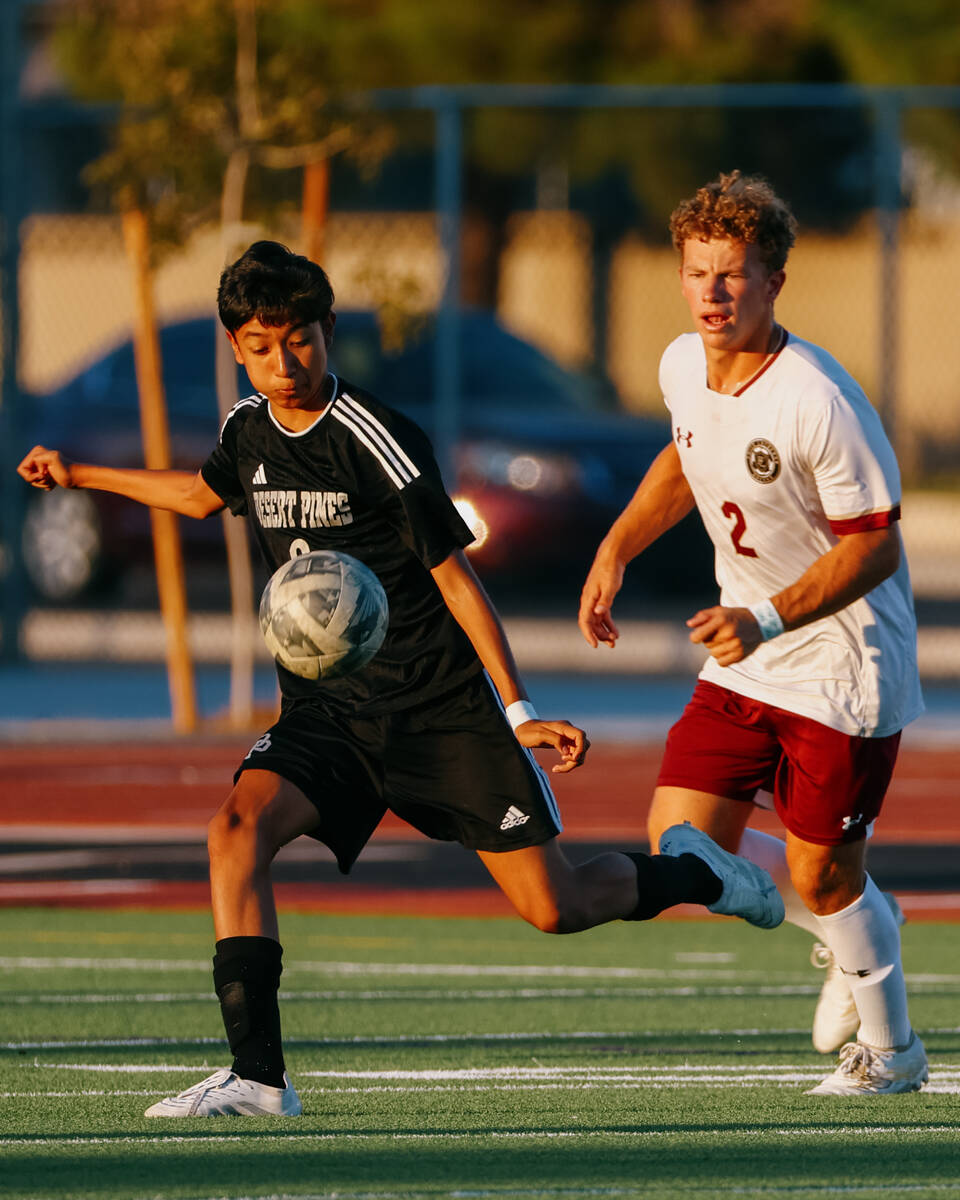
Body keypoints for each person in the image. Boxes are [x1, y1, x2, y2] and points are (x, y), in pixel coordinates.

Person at [17, 240, 783, 1118]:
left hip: (439, 709)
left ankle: (699, 872)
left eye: (298, 339)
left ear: (327, 331)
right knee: (234, 832)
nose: (283, 361)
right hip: (330, 711)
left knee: (555, 906)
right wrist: (82, 474)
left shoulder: (376, 438)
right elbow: (199, 494)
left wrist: (519, 709)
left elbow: (458, 580)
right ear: (237, 349)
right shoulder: (246, 429)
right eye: (261, 346)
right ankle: (259, 1079)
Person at [578, 171, 928, 1097]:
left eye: (732, 275)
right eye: (698, 273)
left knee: (820, 875)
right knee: (684, 843)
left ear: (773, 281)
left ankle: (894, 1055)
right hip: (749, 658)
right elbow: (686, 454)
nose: (712, 293)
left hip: (846, 666)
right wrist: (616, 546)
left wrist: (763, 615)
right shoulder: (679, 364)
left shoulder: (818, 399)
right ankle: (859, 923)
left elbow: (878, 547)